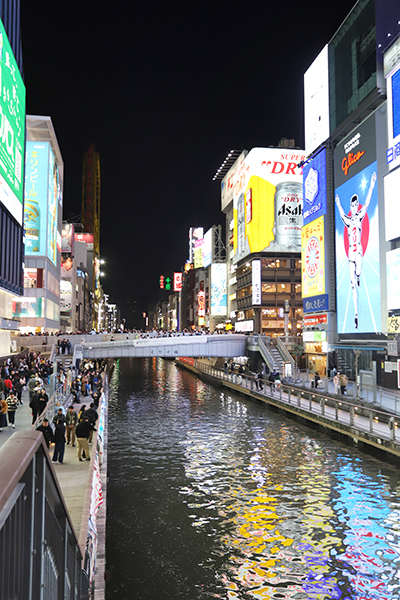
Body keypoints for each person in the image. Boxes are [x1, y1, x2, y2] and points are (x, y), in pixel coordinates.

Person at [335, 171, 376, 330]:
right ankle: (357, 314)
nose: (353, 206)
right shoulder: (347, 219)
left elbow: (367, 201)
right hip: (350, 256)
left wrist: (372, 184)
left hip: (358, 252)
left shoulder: (359, 216)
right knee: (352, 285)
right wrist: (338, 203)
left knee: (358, 272)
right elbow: (340, 214)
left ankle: (359, 276)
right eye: (351, 205)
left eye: (355, 204)